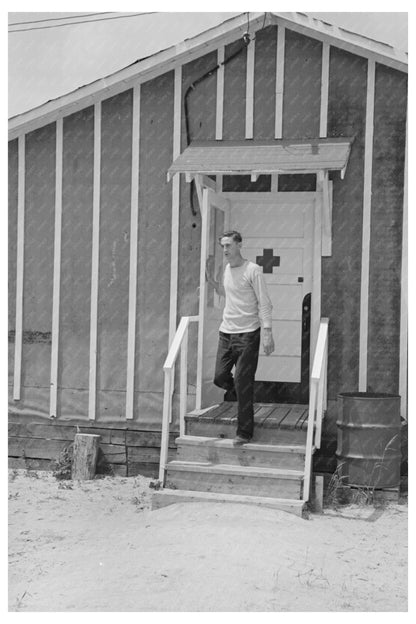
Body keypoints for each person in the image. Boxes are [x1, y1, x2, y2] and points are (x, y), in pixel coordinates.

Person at [211, 230, 274, 444]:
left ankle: (244, 433)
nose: (225, 250)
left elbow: (264, 302)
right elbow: (228, 293)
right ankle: (241, 395)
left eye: (228, 245)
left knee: (243, 381)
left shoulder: (253, 270)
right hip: (226, 333)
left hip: (248, 334)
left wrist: (267, 331)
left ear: (239, 245)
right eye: (222, 246)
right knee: (220, 376)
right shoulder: (226, 270)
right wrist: (212, 283)